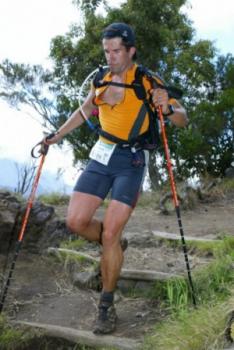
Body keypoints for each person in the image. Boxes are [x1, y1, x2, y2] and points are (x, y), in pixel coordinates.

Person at [45, 22, 188, 334]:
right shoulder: (100, 79)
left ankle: (106, 307)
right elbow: (85, 111)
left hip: (131, 160)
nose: (110, 56)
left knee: (109, 234)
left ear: (130, 50)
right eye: (106, 51)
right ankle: (114, 245)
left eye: (116, 51)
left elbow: (182, 118)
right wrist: (55, 137)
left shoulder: (148, 81)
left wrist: (166, 109)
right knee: (76, 221)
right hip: (101, 155)